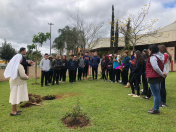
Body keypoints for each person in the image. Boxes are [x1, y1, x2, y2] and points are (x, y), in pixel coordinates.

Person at [146, 45, 166, 114]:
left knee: (156, 94)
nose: (148, 51)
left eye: (149, 50)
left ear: (152, 50)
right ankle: (155, 107)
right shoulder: (160, 56)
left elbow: (155, 67)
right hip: (158, 77)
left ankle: (156, 109)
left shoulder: (153, 57)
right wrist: (162, 74)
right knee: (157, 93)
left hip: (153, 77)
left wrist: (161, 74)